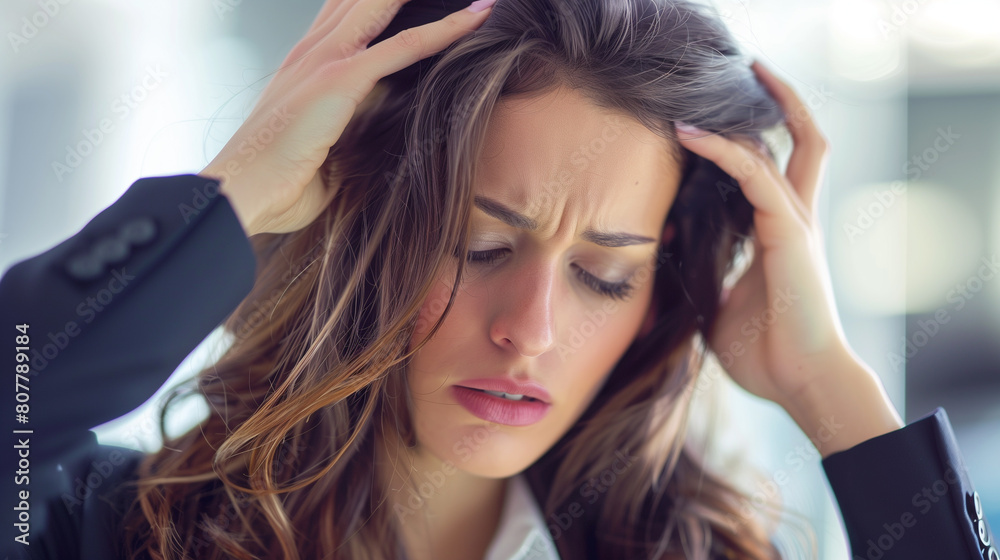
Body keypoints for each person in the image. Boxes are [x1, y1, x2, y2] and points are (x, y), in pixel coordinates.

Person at [0, 0, 994, 558]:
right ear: (361, 224)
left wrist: (831, 390)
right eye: (480, 247)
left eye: (604, 274)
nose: (530, 328)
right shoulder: (113, 530)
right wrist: (229, 195)